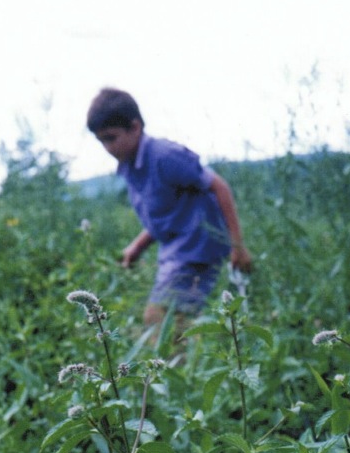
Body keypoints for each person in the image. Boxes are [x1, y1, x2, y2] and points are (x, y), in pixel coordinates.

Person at [86, 88, 252, 339]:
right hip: (175, 252)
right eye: (101, 141)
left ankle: (179, 371)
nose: (107, 147)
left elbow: (219, 187)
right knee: (177, 324)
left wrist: (237, 246)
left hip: (198, 249)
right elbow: (165, 215)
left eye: (111, 138)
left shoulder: (165, 156)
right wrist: (137, 247)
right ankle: (188, 369)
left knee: (159, 318)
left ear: (135, 127)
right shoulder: (131, 166)